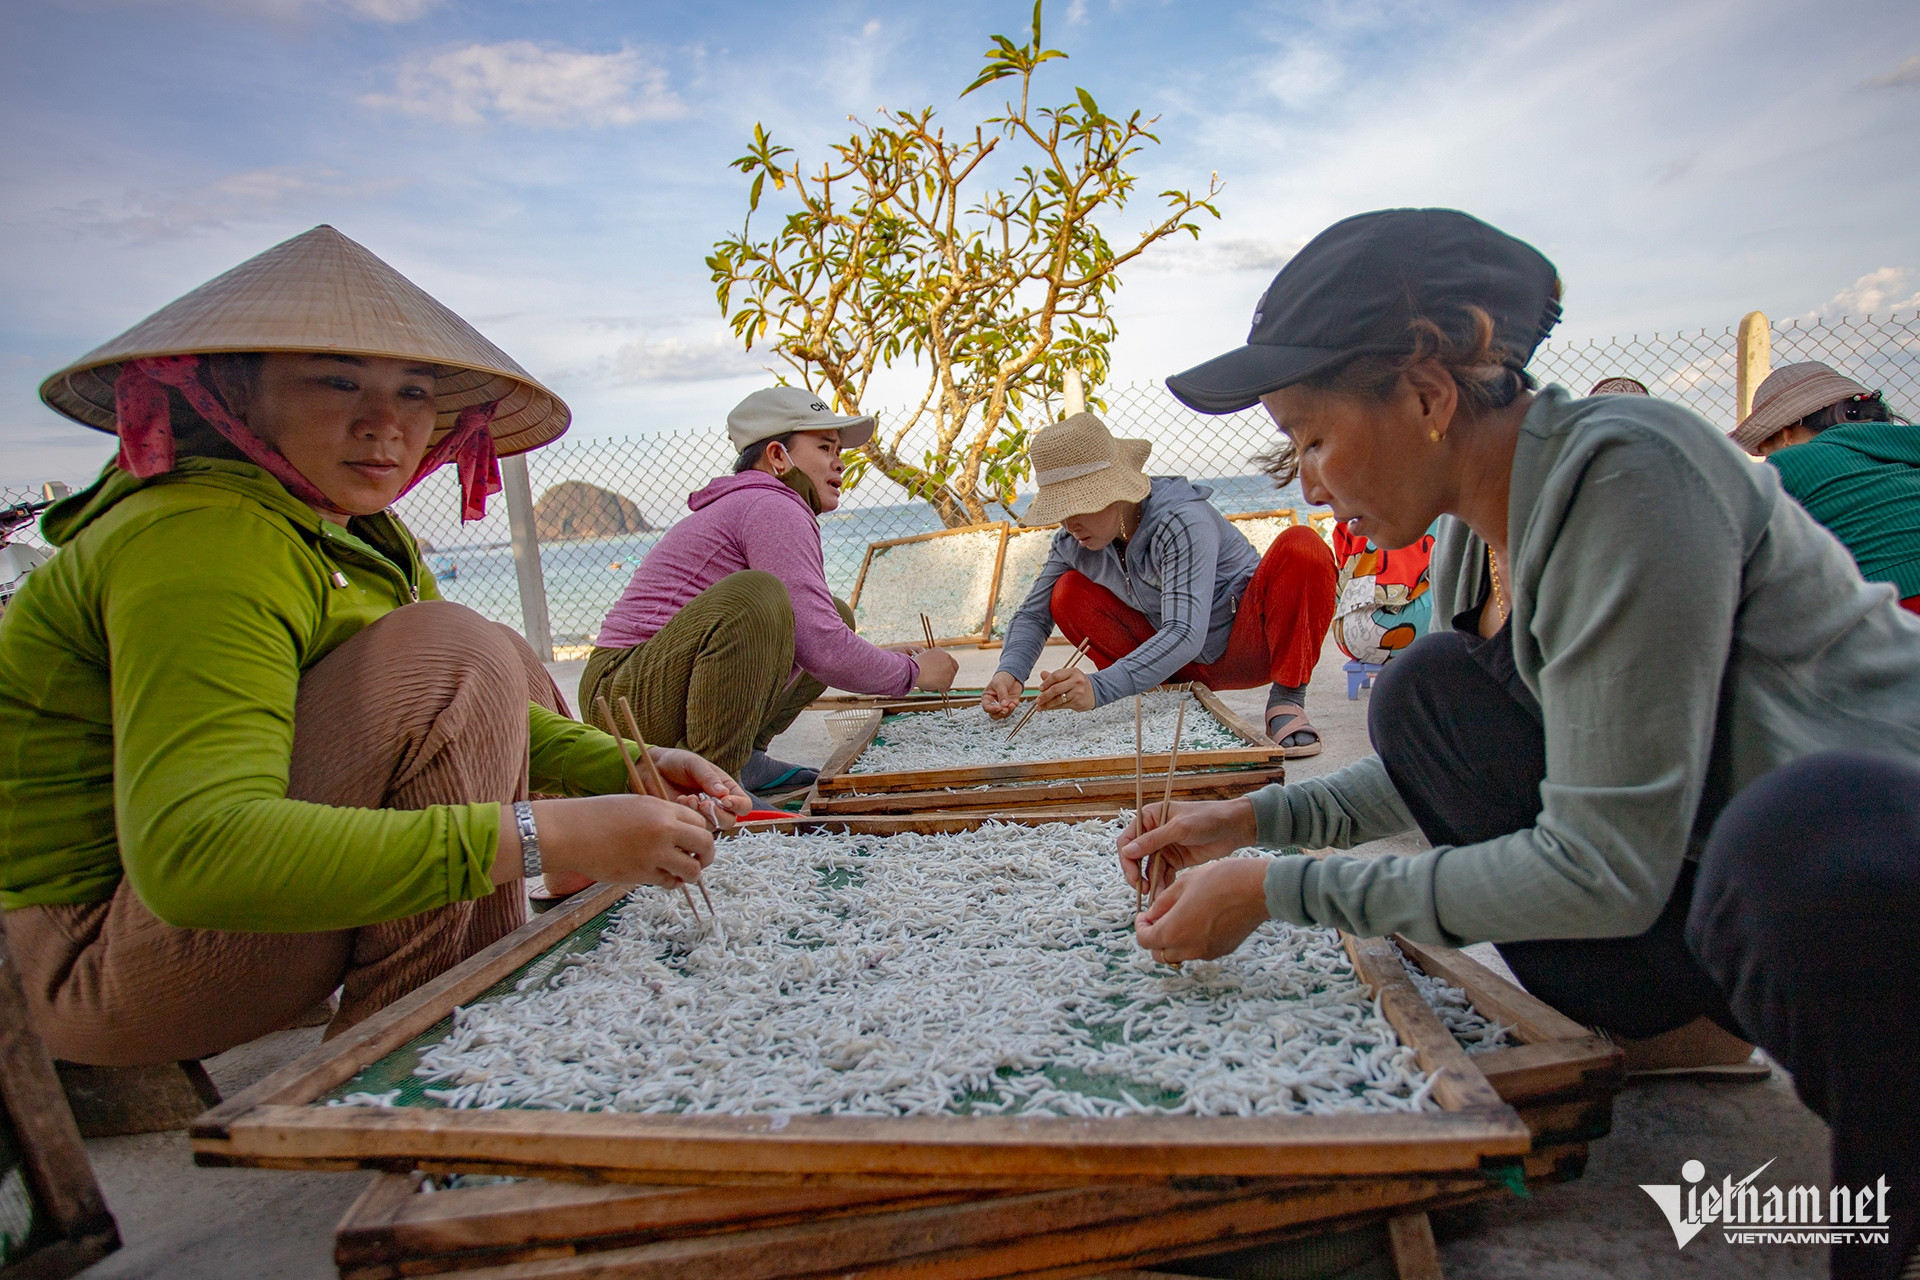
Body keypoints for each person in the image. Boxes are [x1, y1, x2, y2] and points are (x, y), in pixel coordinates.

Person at [1131, 208, 1920, 1279]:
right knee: (1424, 692)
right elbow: (1430, 772)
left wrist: (1277, 889)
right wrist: (1245, 820)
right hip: (1716, 874)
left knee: (1790, 838)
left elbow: (1600, 865)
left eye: (1313, 439)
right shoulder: (1474, 532)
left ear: (1427, 394)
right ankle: (1684, 1021)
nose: (1309, 483)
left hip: (1871, 863)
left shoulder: (1630, 472)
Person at [0, 226, 748, 1069]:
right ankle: (416, 1060)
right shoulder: (201, 535)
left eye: (414, 393)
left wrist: (629, 764)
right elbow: (195, 857)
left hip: (193, 925)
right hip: (98, 961)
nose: (385, 425)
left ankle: (454, 1016)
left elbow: (476, 707)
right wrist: (554, 837)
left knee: (493, 649)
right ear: (235, 392)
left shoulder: (349, 532)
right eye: (337, 380)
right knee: (460, 649)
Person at [585, 387, 959, 800]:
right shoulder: (772, 505)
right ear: (778, 457)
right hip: (620, 703)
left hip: (639, 686)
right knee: (757, 596)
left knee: (833, 613)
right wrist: (913, 673)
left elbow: (816, 628)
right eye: (825, 447)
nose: (840, 462)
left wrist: (885, 657)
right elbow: (820, 646)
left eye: (839, 450)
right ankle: (716, 781)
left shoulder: (764, 502)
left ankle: (745, 757)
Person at [982, 412, 1336, 754]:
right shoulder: (1072, 542)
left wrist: (1098, 688)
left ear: (1116, 492)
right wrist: (1010, 671)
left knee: (1302, 546)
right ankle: (1158, 701)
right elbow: (1033, 615)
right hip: (1170, 669)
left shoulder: (1180, 519)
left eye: (1079, 505)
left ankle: (1287, 699)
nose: (1068, 523)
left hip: (1246, 647)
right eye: (1059, 511)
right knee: (1067, 593)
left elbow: (1185, 633)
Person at [1731, 361, 1919, 614]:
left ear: (1785, 435)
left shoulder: (1790, 463)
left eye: (1767, 449)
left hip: (1892, 606)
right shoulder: (1907, 449)